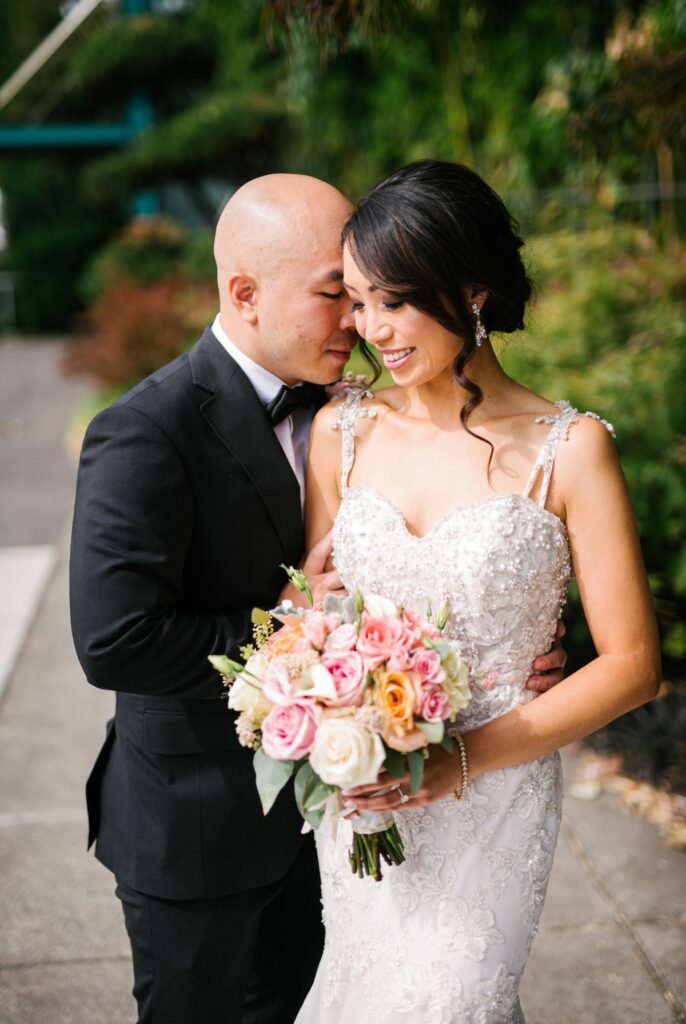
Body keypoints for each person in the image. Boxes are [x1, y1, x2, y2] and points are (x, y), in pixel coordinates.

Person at [70, 172, 567, 1024]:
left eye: (370, 294)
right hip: (198, 837)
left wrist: (533, 636)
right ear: (245, 293)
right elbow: (115, 641)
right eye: (337, 293)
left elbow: (480, 534)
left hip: (352, 828)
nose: (359, 321)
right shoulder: (146, 431)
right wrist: (294, 637)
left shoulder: (361, 411)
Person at [296, 160, 660, 1024]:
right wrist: (306, 643)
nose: (369, 327)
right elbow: (319, 618)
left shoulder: (569, 450)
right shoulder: (338, 434)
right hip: (364, 796)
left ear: (472, 290)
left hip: (494, 798)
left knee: (453, 1001)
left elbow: (635, 666)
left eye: (394, 299)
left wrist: (457, 760)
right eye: (356, 299)